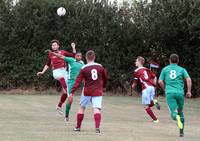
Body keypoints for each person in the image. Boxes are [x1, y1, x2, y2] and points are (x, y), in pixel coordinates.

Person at [70, 50, 108, 133]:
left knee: (82, 107)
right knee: (97, 108)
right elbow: (105, 78)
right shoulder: (100, 66)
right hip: (98, 90)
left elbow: (78, 81)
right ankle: (97, 128)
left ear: (86, 58)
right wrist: (104, 86)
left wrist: (72, 92)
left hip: (87, 91)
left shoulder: (83, 68)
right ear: (94, 57)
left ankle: (78, 127)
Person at [37, 40, 76, 114]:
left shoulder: (63, 52)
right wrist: (42, 72)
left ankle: (59, 106)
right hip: (56, 72)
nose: (54, 46)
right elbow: (48, 64)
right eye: (53, 45)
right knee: (64, 83)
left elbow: (73, 56)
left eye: (55, 45)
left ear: (58, 46)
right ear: (51, 47)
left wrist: (73, 47)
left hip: (64, 72)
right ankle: (69, 94)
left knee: (64, 92)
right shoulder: (50, 54)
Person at [158, 54, 192, 137]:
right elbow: (188, 79)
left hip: (170, 93)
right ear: (178, 61)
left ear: (169, 60)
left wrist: (165, 88)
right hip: (180, 93)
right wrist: (189, 91)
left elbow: (160, 81)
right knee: (180, 112)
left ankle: (176, 118)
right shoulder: (182, 69)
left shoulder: (165, 69)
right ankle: (181, 132)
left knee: (174, 113)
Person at [46, 49, 84, 121]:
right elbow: (61, 56)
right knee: (70, 99)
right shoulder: (71, 60)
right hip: (71, 82)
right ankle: (66, 117)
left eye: (80, 56)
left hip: (79, 82)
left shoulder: (82, 63)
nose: (79, 57)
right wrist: (53, 53)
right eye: (78, 56)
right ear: (75, 56)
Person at [132, 56, 160, 123]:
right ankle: (154, 102)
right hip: (151, 87)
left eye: (136, 61)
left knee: (145, 105)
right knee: (148, 103)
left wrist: (133, 86)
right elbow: (155, 77)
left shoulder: (136, 71)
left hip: (146, 88)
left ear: (139, 62)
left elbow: (135, 82)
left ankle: (155, 120)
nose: (135, 62)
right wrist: (154, 85)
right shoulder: (147, 69)